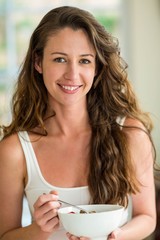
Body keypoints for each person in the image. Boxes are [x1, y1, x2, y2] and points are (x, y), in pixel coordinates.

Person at [0, 5, 157, 240]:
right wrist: (39, 229)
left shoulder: (130, 134)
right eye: (60, 59)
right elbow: (5, 235)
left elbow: (147, 217)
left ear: (97, 67)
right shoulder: (15, 150)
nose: (72, 75)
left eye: (84, 61)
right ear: (38, 62)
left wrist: (115, 237)